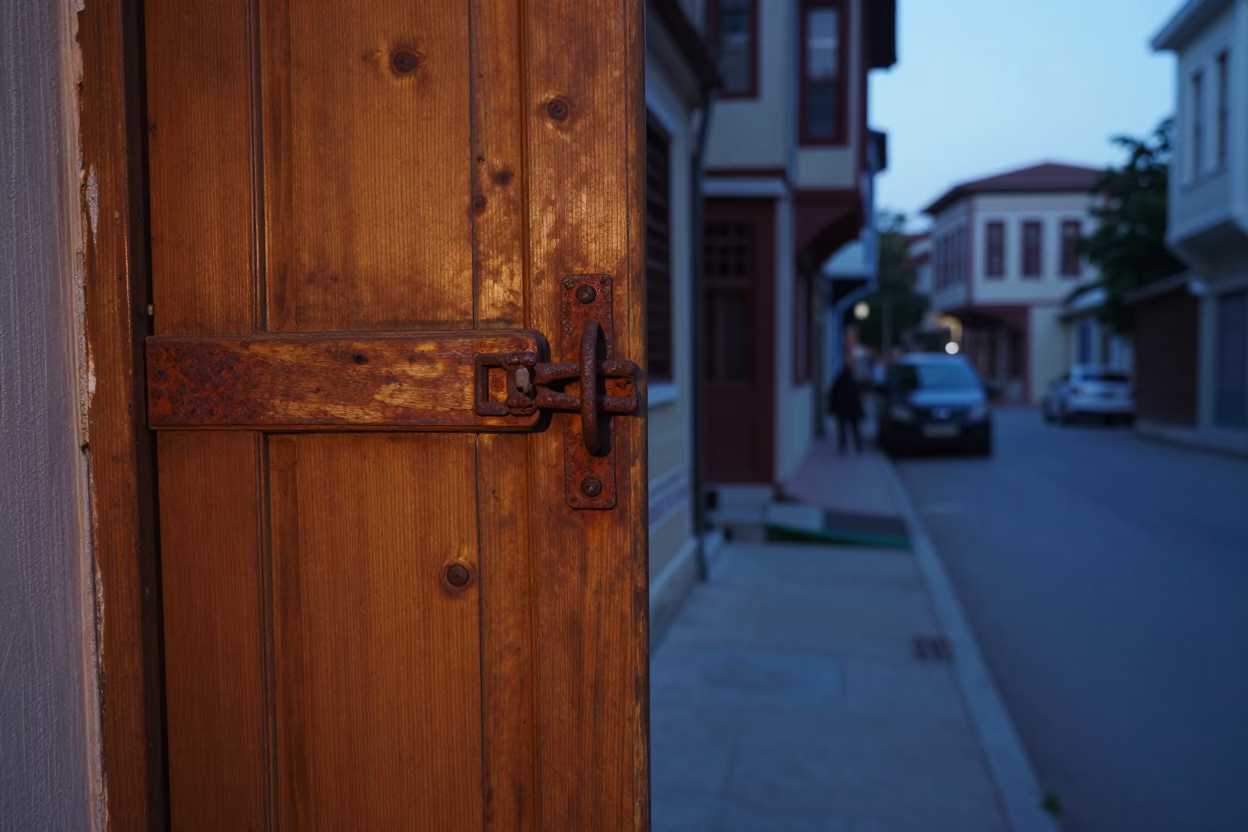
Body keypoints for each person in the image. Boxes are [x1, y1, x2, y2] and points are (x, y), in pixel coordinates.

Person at [828, 364, 864, 454]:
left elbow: (832, 396)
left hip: (841, 410)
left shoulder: (838, 382)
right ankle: (858, 445)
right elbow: (858, 398)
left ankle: (843, 446)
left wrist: (832, 409)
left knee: (842, 429)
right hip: (852, 410)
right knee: (855, 429)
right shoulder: (852, 382)